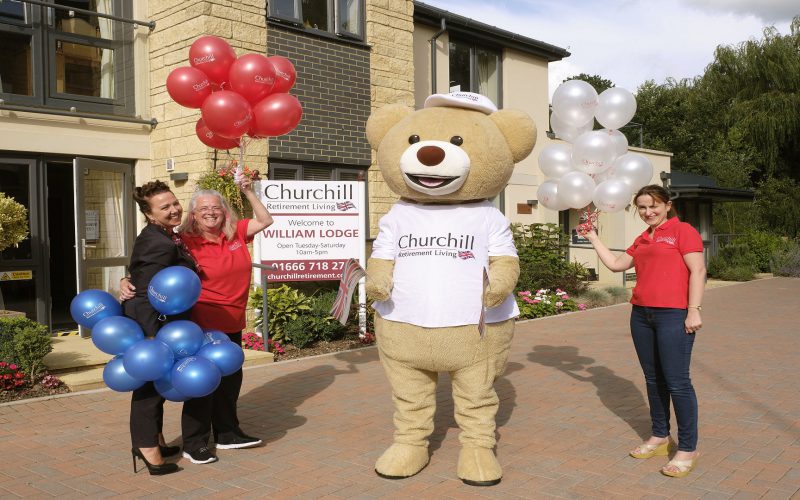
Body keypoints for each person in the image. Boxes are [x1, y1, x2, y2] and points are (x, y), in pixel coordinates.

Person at [122, 177, 273, 465]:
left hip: (232, 320)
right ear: (194, 213)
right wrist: (128, 282)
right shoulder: (185, 240)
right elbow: (149, 278)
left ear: (225, 211)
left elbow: (265, 220)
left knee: (229, 381)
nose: (210, 212)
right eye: (202, 208)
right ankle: (194, 443)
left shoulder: (229, 234)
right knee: (201, 383)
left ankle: (228, 434)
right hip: (201, 323)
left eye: (215, 207)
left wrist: (247, 190)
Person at [579, 184, 705, 478]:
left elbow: (698, 271)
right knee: (653, 379)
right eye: (643, 207)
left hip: (674, 315)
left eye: (654, 206)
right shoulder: (643, 238)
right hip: (641, 315)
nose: (648, 212)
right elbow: (615, 264)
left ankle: (687, 448)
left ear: (667, 205)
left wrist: (694, 310)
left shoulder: (683, 231)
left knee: (677, 382)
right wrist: (593, 237)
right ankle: (660, 437)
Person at [124, 180, 195, 476]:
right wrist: (152, 335)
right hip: (151, 321)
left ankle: (154, 439)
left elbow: (138, 275)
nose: (174, 209)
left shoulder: (162, 235)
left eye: (174, 202)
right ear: (150, 214)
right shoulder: (158, 241)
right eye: (164, 207)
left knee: (156, 386)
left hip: (159, 319)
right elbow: (145, 292)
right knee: (149, 387)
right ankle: (146, 448)